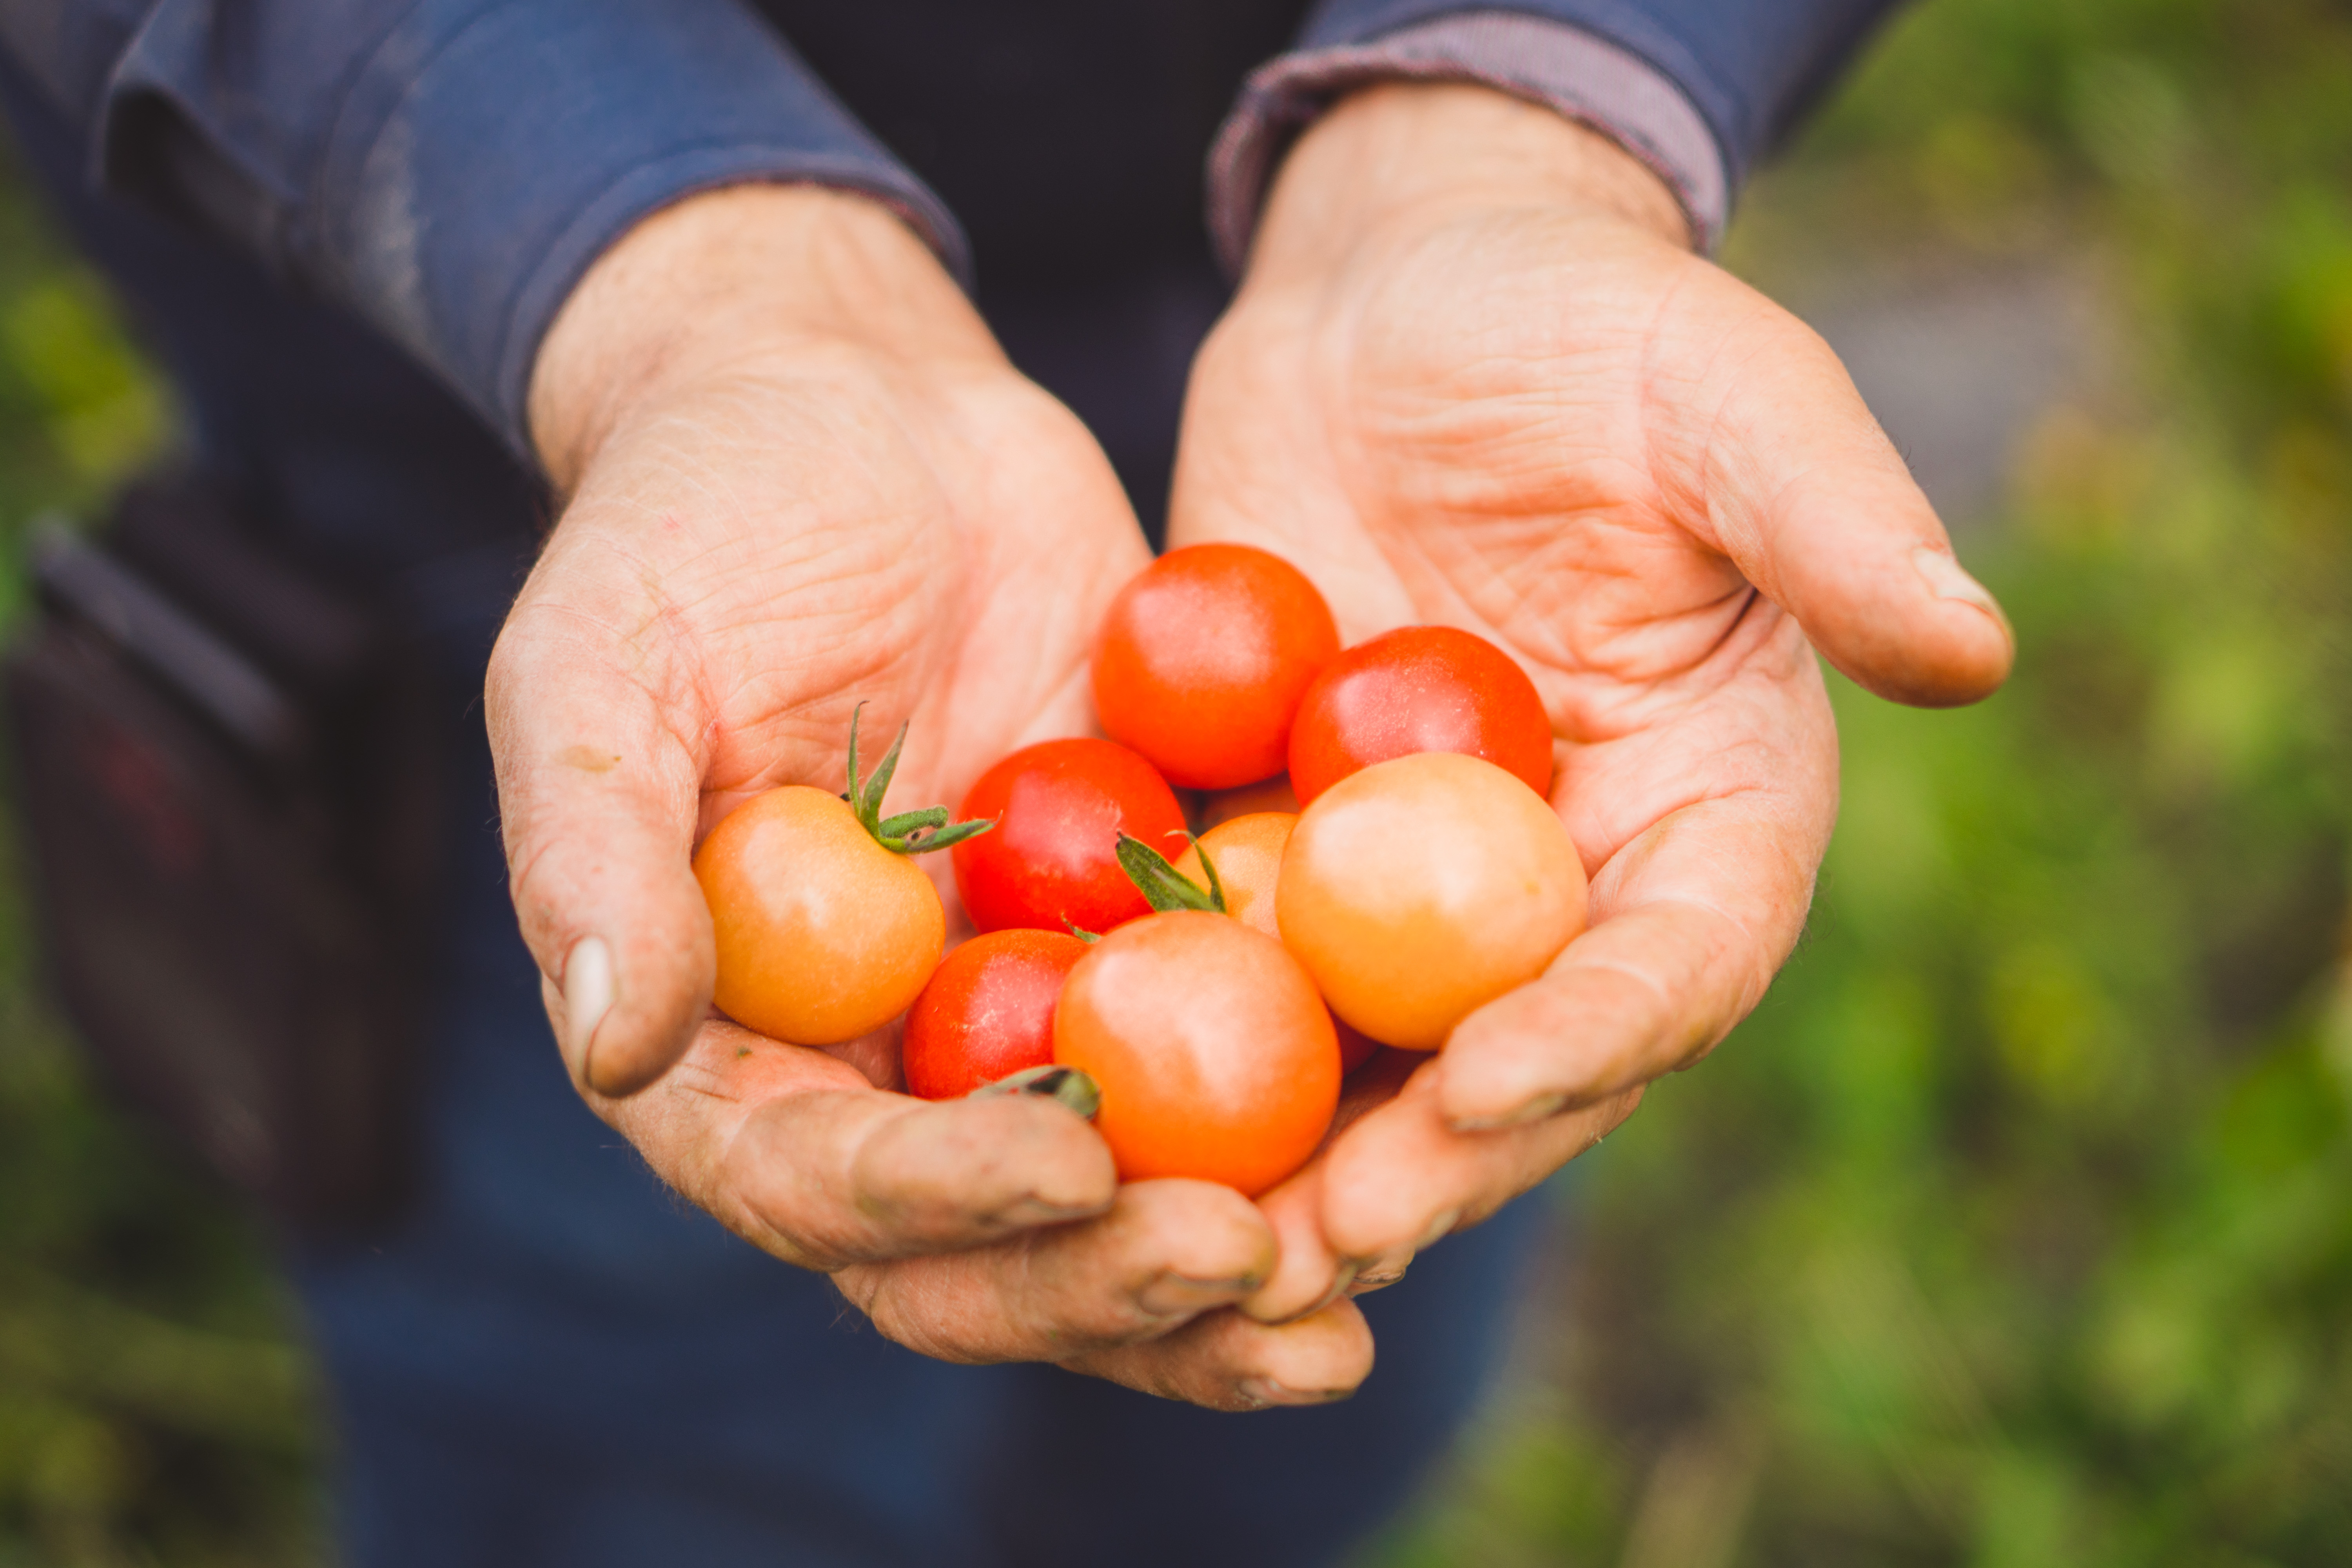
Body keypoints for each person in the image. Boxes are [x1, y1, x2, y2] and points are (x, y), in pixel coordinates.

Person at [0, 2, 2012, 1563]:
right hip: (506, 403)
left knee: (1317, 1404)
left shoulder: (1306, 856)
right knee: (627, 1417)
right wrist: (651, 248)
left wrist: (1524, 97)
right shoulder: (1132, 880)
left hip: (1352, 348)